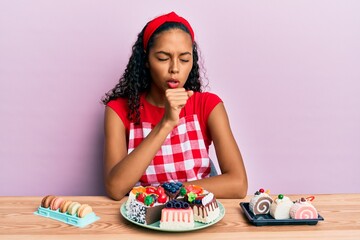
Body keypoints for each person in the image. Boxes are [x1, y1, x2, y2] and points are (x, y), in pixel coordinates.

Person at [102, 12, 247, 201]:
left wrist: (168, 191)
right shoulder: (118, 110)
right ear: (146, 60)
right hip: (143, 221)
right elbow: (115, 188)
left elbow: (238, 184)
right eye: (163, 58)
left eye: (184, 59)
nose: (175, 69)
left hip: (198, 217)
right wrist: (166, 123)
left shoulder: (208, 105)